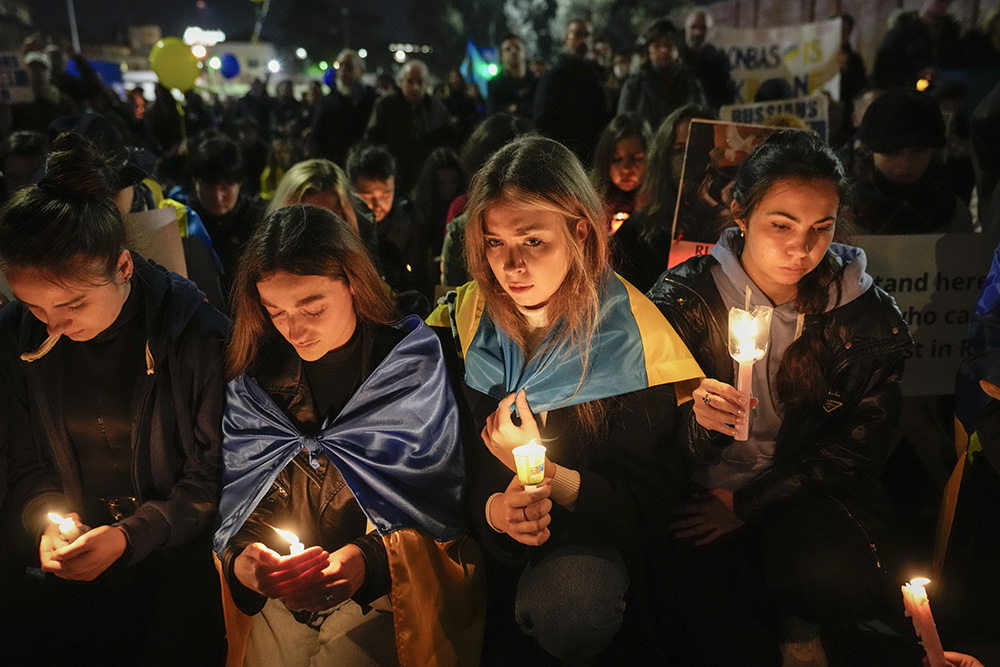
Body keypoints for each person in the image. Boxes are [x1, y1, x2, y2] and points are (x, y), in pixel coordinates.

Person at [647, 130, 923, 666]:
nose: (802, 248)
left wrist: (747, 504)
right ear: (740, 215)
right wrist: (700, 425)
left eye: (821, 228)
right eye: (781, 224)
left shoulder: (864, 312)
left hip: (805, 490)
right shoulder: (683, 299)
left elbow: (856, 445)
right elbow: (646, 432)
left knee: (831, 576)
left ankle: (802, 619)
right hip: (701, 488)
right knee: (706, 632)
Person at [427, 135, 702, 664]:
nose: (510, 266)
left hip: (593, 548)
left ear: (579, 232)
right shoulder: (468, 323)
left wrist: (549, 476)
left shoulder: (632, 336)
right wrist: (494, 510)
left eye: (532, 241)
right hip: (489, 546)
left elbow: (647, 504)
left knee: (573, 602)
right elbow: (449, 461)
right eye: (493, 243)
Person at [214, 204, 484, 667]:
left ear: (354, 283)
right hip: (283, 597)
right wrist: (245, 562)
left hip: (389, 590)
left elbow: (436, 501)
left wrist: (368, 560)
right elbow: (242, 496)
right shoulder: (257, 380)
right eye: (275, 311)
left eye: (312, 307)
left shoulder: (410, 367)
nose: (293, 329)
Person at [0, 132, 228, 665]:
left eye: (73, 304)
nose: (52, 325)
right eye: (34, 306)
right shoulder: (17, 338)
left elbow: (213, 470)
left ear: (123, 267)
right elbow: (20, 458)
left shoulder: (193, 334)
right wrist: (42, 523)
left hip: (177, 574)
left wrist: (130, 536)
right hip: (68, 584)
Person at [850, 88, 973, 234]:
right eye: (892, 152)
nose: (905, 163)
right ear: (870, 151)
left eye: (918, 151)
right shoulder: (841, 213)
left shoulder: (953, 212)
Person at [348, 144, 428, 296]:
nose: (376, 205)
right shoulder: (345, 224)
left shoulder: (408, 220)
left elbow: (417, 276)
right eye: (367, 196)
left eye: (385, 195)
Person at [365, 59, 453, 193]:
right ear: (401, 82)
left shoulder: (437, 109)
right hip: (392, 177)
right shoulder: (385, 106)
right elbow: (372, 140)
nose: (415, 87)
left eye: (420, 82)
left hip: (427, 180)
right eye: (410, 81)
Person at [532, 19, 611, 164]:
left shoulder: (594, 78)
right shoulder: (554, 77)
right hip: (565, 160)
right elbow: (543, 122)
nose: (584, 40)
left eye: (588, 35)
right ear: (565, 40)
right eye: (578, 35)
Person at [619, 18, 707, 131]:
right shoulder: (634, 85)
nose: (664, 50)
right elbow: (623, 126)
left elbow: (703, 121)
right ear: (649, 50)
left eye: (669, 45)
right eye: (657, 45)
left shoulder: (692, 84)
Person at [873, 0, 961, 89]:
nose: (941, 5)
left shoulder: (949, 31)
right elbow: (885, 59)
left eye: (946, 2)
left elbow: (955, 60)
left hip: (939, 88)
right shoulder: (904, 28)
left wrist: (938, 73)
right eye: (938, 1)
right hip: (905, 86)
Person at [311, 49, 378, 167]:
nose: (343, 71)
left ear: (361, 71)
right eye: (340, 66)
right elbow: (318, 137)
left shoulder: (373, 100)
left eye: (348, 66)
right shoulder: (327, 102)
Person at [590, 112, 651, 228]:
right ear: (604, 161)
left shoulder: (658, 208)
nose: (626, 169)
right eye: (616, 159)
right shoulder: (590, 207)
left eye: (636, 158)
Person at [683, 9, 735, 110]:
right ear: (686, 29)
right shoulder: (675, 58)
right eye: (693, 27)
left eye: (703, 27)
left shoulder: (719, 60)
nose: (698, 32)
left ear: (711, 31)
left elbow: (727, 97)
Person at [487, 34, 536, 118]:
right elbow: (494, 114)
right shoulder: (495, 84)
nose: (513, 51)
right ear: (501, 57)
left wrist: (515, 108)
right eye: (508, 49)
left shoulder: (536, 81)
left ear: (525, 52)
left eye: (517, 47)